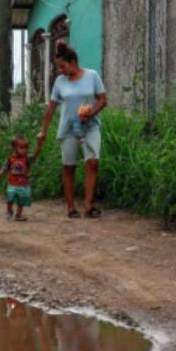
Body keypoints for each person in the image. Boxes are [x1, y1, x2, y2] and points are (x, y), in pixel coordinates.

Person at [36, 41, 107, 218]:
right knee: (69, 167)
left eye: (62, 66)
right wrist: (43, 130)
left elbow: (102, 100)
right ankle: (70, 207)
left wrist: (92, 112)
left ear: (73, 62)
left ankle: (89, 205)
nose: (60, 70)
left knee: (93, 163)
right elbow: (51, 107)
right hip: (68, 129)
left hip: (90, 127)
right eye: (59, 67)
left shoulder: (92, 76)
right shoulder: (60, 82)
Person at [0, 135, 43, 221]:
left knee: (21, 200)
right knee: (10, 198)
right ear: (14, 148)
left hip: (23, 185)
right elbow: (4, 168)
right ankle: (9, 211)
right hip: (12, 184)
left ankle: (18, 214)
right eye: (21, 147)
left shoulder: (27, 158)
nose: (24, 150)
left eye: (26, 147)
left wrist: (38, 146)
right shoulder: (10, 159)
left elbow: (35, 155)